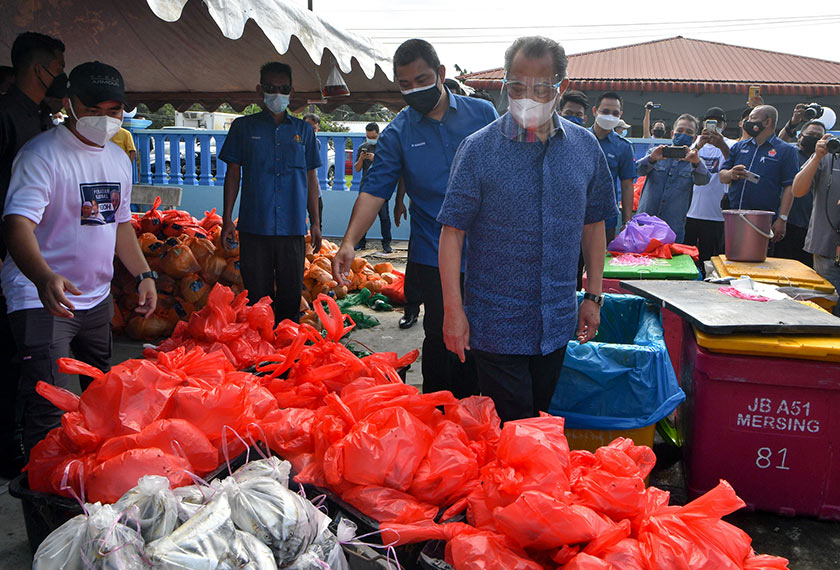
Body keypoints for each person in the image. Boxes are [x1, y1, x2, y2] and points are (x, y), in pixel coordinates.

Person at [437, 36, 617, 422]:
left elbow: (594, 224)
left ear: (561, 88)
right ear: (504, 84)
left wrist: (594, 296)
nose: (527, 97)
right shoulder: (478, 150)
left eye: (541, 88)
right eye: (517, 86)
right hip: (495, 322)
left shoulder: (585, 149)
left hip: (555, 320)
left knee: (538, 416)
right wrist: (454, 311)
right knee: (517, 426)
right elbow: (452, 233)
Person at [2, 61, 157, 454]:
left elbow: (120, 224)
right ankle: (45, 505)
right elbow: (17, 225)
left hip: (95, 299)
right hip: (41, 299)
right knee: (52, 408)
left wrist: (143, 275)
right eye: (93, 110)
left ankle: (91, 485)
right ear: (70, 104)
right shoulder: (41, 156)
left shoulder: (118, 158)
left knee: (100, 397)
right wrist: (42, 276)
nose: (104, 120)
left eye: (114, 112)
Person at [331, 38, 498, 397]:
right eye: (404, 85)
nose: (414, 91)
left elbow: (507, 170)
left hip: (488, 250)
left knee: (485, 339)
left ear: (440, 73)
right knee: (442, 337)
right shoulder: (398, 132)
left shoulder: (481, 114)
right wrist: (348, 243)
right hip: (433, 251)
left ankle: (478, 415)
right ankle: (438, 412)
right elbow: (376, 189)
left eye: (422, 80)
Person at [0, 31, 65, 476]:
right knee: (9, 359)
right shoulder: (6, 116)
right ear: (39, 69)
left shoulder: (42, 120)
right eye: (57, 69)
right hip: (7, 256)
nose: (60, 78)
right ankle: (8, 451)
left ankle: (21, 441)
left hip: (35, 259)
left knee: (24, 358)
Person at [219, 62, 321, 324]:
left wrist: (317, 223)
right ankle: (260, 354)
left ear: (291, 91)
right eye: (271, 88)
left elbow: (312, 178)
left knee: (290, 297)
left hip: (293, 229)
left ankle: (287, 355)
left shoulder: (304, 131)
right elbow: (233, 175)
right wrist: (227, 219)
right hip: (255, 227)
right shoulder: (243, 128)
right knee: (257, 299)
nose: (277, 93)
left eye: (283, 88)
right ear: (259, 90)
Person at [719, 105, 799, 246]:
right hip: (735, 215)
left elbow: (790, 186)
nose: (748, 123)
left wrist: (783, 218)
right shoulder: (739, 147)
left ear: (767, 122)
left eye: (753, 119)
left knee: (760, 262)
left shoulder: (786, 151)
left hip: (764, 219)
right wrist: (731, 173)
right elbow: (722, 176)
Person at [636, 114, 710, 242]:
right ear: (672, 133)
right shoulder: (655, 152)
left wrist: (696, 163)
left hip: (672, 230)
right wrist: (652, 159)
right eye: (680, 131)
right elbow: (638, 170)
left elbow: (702, 180)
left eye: (689, 132)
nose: (683, 134)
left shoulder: (696, 161)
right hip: (644, 225)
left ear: (694, 138)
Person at [792, 134, 840, 315]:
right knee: (826, 314)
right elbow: (798, 190)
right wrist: (817, 157)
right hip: (827, 249)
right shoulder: (829, 153)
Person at [683, 107, 732, 267]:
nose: (714, 126)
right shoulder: (694, 142)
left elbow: (733, 165)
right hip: (691, 212)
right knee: (687, 258)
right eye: (711, 122)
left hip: (716, 214)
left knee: (710, 261)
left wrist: (722, 145)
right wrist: (699, 144)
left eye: (718, 123)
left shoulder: (730, 144)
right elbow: (684, 163)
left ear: (723, 126)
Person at [773, 120, 826, 266]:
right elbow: (775, 145)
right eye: (811, 134)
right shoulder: (790, 153)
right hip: (786, 223)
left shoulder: (826, 160)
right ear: (800, 136)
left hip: (810, 227)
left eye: (818, 136)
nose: (814, 138)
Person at [590, 92, 635, 240]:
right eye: (605, 111)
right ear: (595, 111)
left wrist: (626, 222)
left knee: (600, 262)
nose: (610, 116)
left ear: (620, 115)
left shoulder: (623, 147)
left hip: (605, 219)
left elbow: (627, 185)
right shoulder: (579, 138)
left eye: (615, 113)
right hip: (575, 217)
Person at [353, 122, 392, 253]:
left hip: (381, 186)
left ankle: (386, 243)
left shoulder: (384, 147)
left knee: (384, 216)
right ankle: (360, 242)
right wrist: (361, 158)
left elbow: (389, 166)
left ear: (378, 134)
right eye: (368, 136)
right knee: (362, 215)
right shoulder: (363, 147)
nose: (370, 139)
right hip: (366, 186)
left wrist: (376, 159)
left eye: (373, 136)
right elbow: (357, 169)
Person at [393, 177, 422, 329]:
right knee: (415, 260)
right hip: (422, 211)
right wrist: (399, 201)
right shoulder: (419, 152)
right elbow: (407, 170)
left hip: (453, 207)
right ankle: (411, 309)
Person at [302, 112, 323, 229]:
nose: (311, 131)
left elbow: (312, 170)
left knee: (317, 220)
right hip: (297, 188)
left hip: (313, 187)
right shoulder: (295, 142)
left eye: (314, 128)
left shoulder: (316, 143)